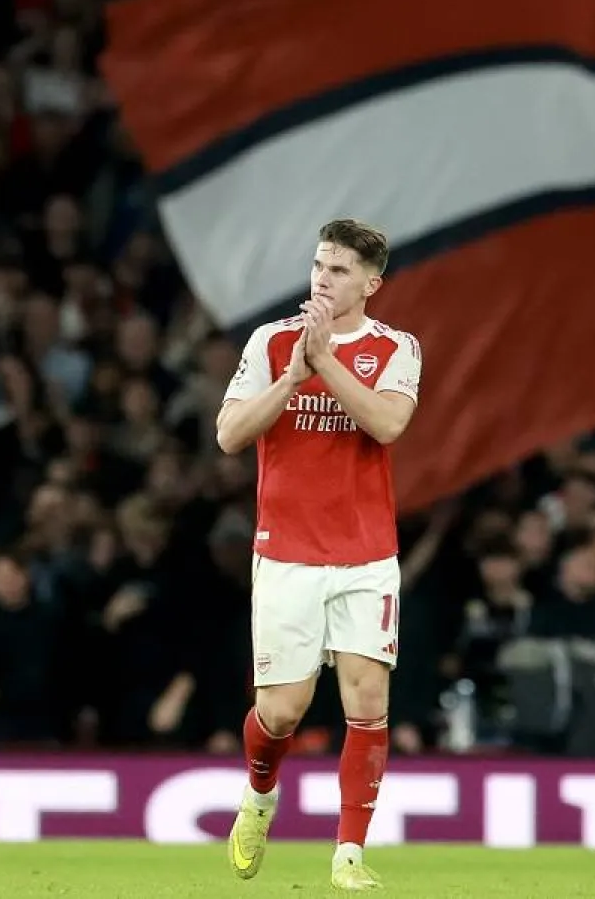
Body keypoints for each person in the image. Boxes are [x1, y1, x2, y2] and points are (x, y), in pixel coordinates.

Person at [215, 218, 421, 891]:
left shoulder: (396, 348)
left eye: (338, 271)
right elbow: (229, 435)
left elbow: (387, 423)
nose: (322, 279)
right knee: (282, 711)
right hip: (289, 552)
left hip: (365, 553)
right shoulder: (272, 342)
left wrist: (325, 360)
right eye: (318, 266)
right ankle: (259, 794)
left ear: (370, 283)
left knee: (368, 698)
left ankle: (349, 854)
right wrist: (292, 376)